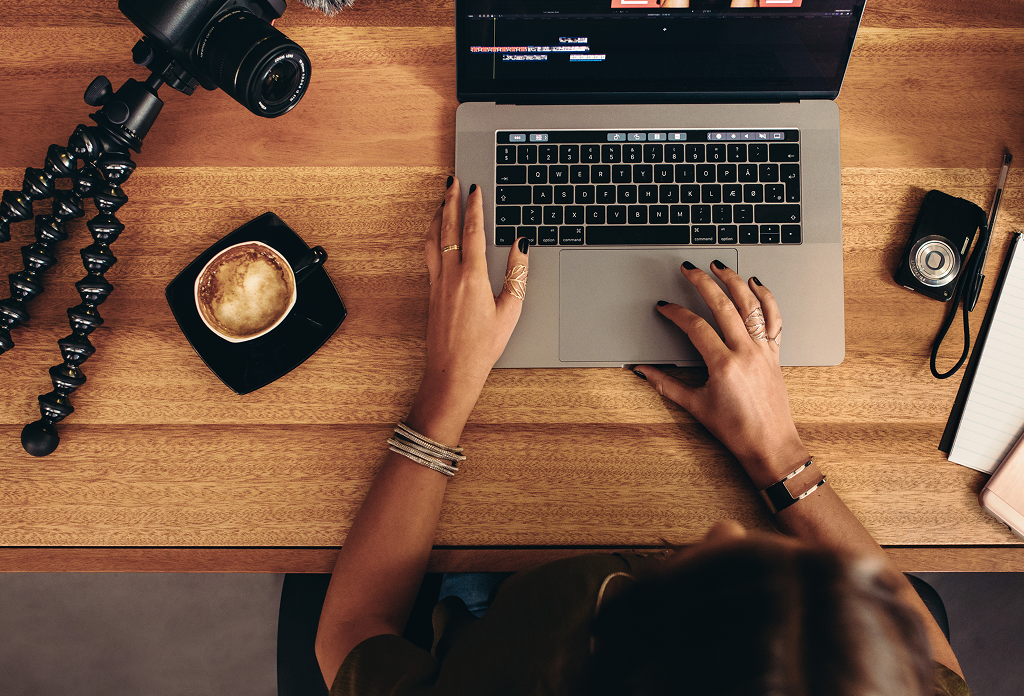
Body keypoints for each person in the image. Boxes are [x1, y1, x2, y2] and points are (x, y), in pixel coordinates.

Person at [314, 178, 969, 695]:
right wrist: (777, 453)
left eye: (711, 578)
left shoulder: (528, 668)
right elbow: (934, 665)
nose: (725, 531)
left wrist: (445, 390)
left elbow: (346, 633)